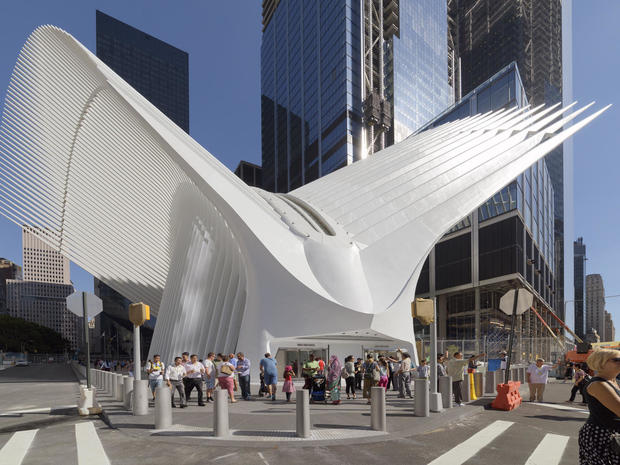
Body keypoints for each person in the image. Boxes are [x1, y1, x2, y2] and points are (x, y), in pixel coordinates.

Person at [578, 349, 620, 464]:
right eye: (617, 360)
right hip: (603, 435)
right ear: (601, 362)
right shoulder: (598, 384)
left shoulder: (614, 381)